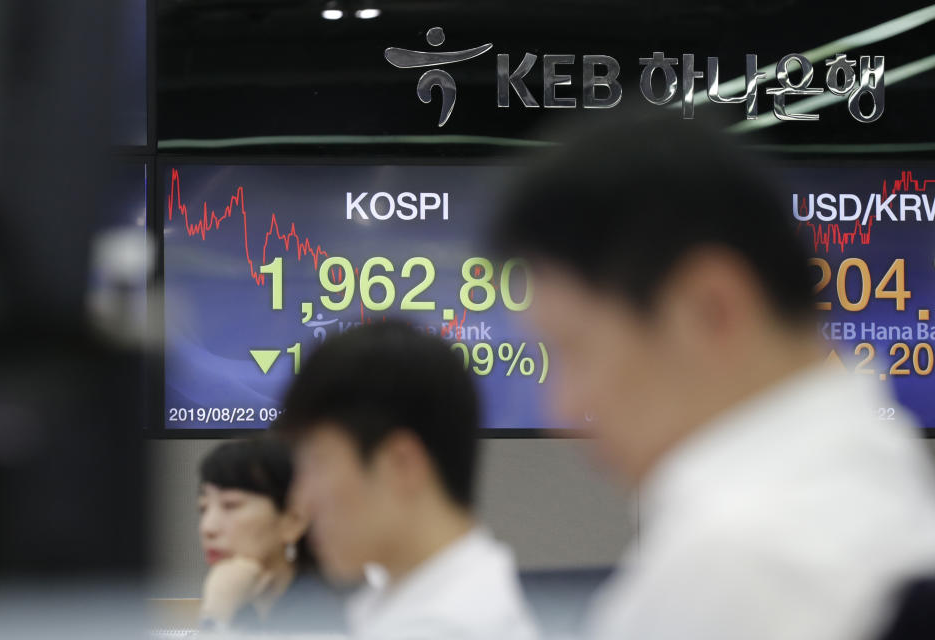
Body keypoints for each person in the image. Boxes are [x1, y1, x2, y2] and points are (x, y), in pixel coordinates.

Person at [491, 111, 935, 640]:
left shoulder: (742, 561)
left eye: (576, 350)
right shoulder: (879, 491)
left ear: (711, 309)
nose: (562, 409)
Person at [277, 321, 539, 640]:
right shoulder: (424, 603)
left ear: (401, 464)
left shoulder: (443, 628)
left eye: (317, 464)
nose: (300, 502)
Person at [196, 437, 312, 632]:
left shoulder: (327, 612)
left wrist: (215, 618)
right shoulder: (239, 605)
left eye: (230, 505)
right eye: (203, 508)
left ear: (292, 522)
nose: (207, 528)